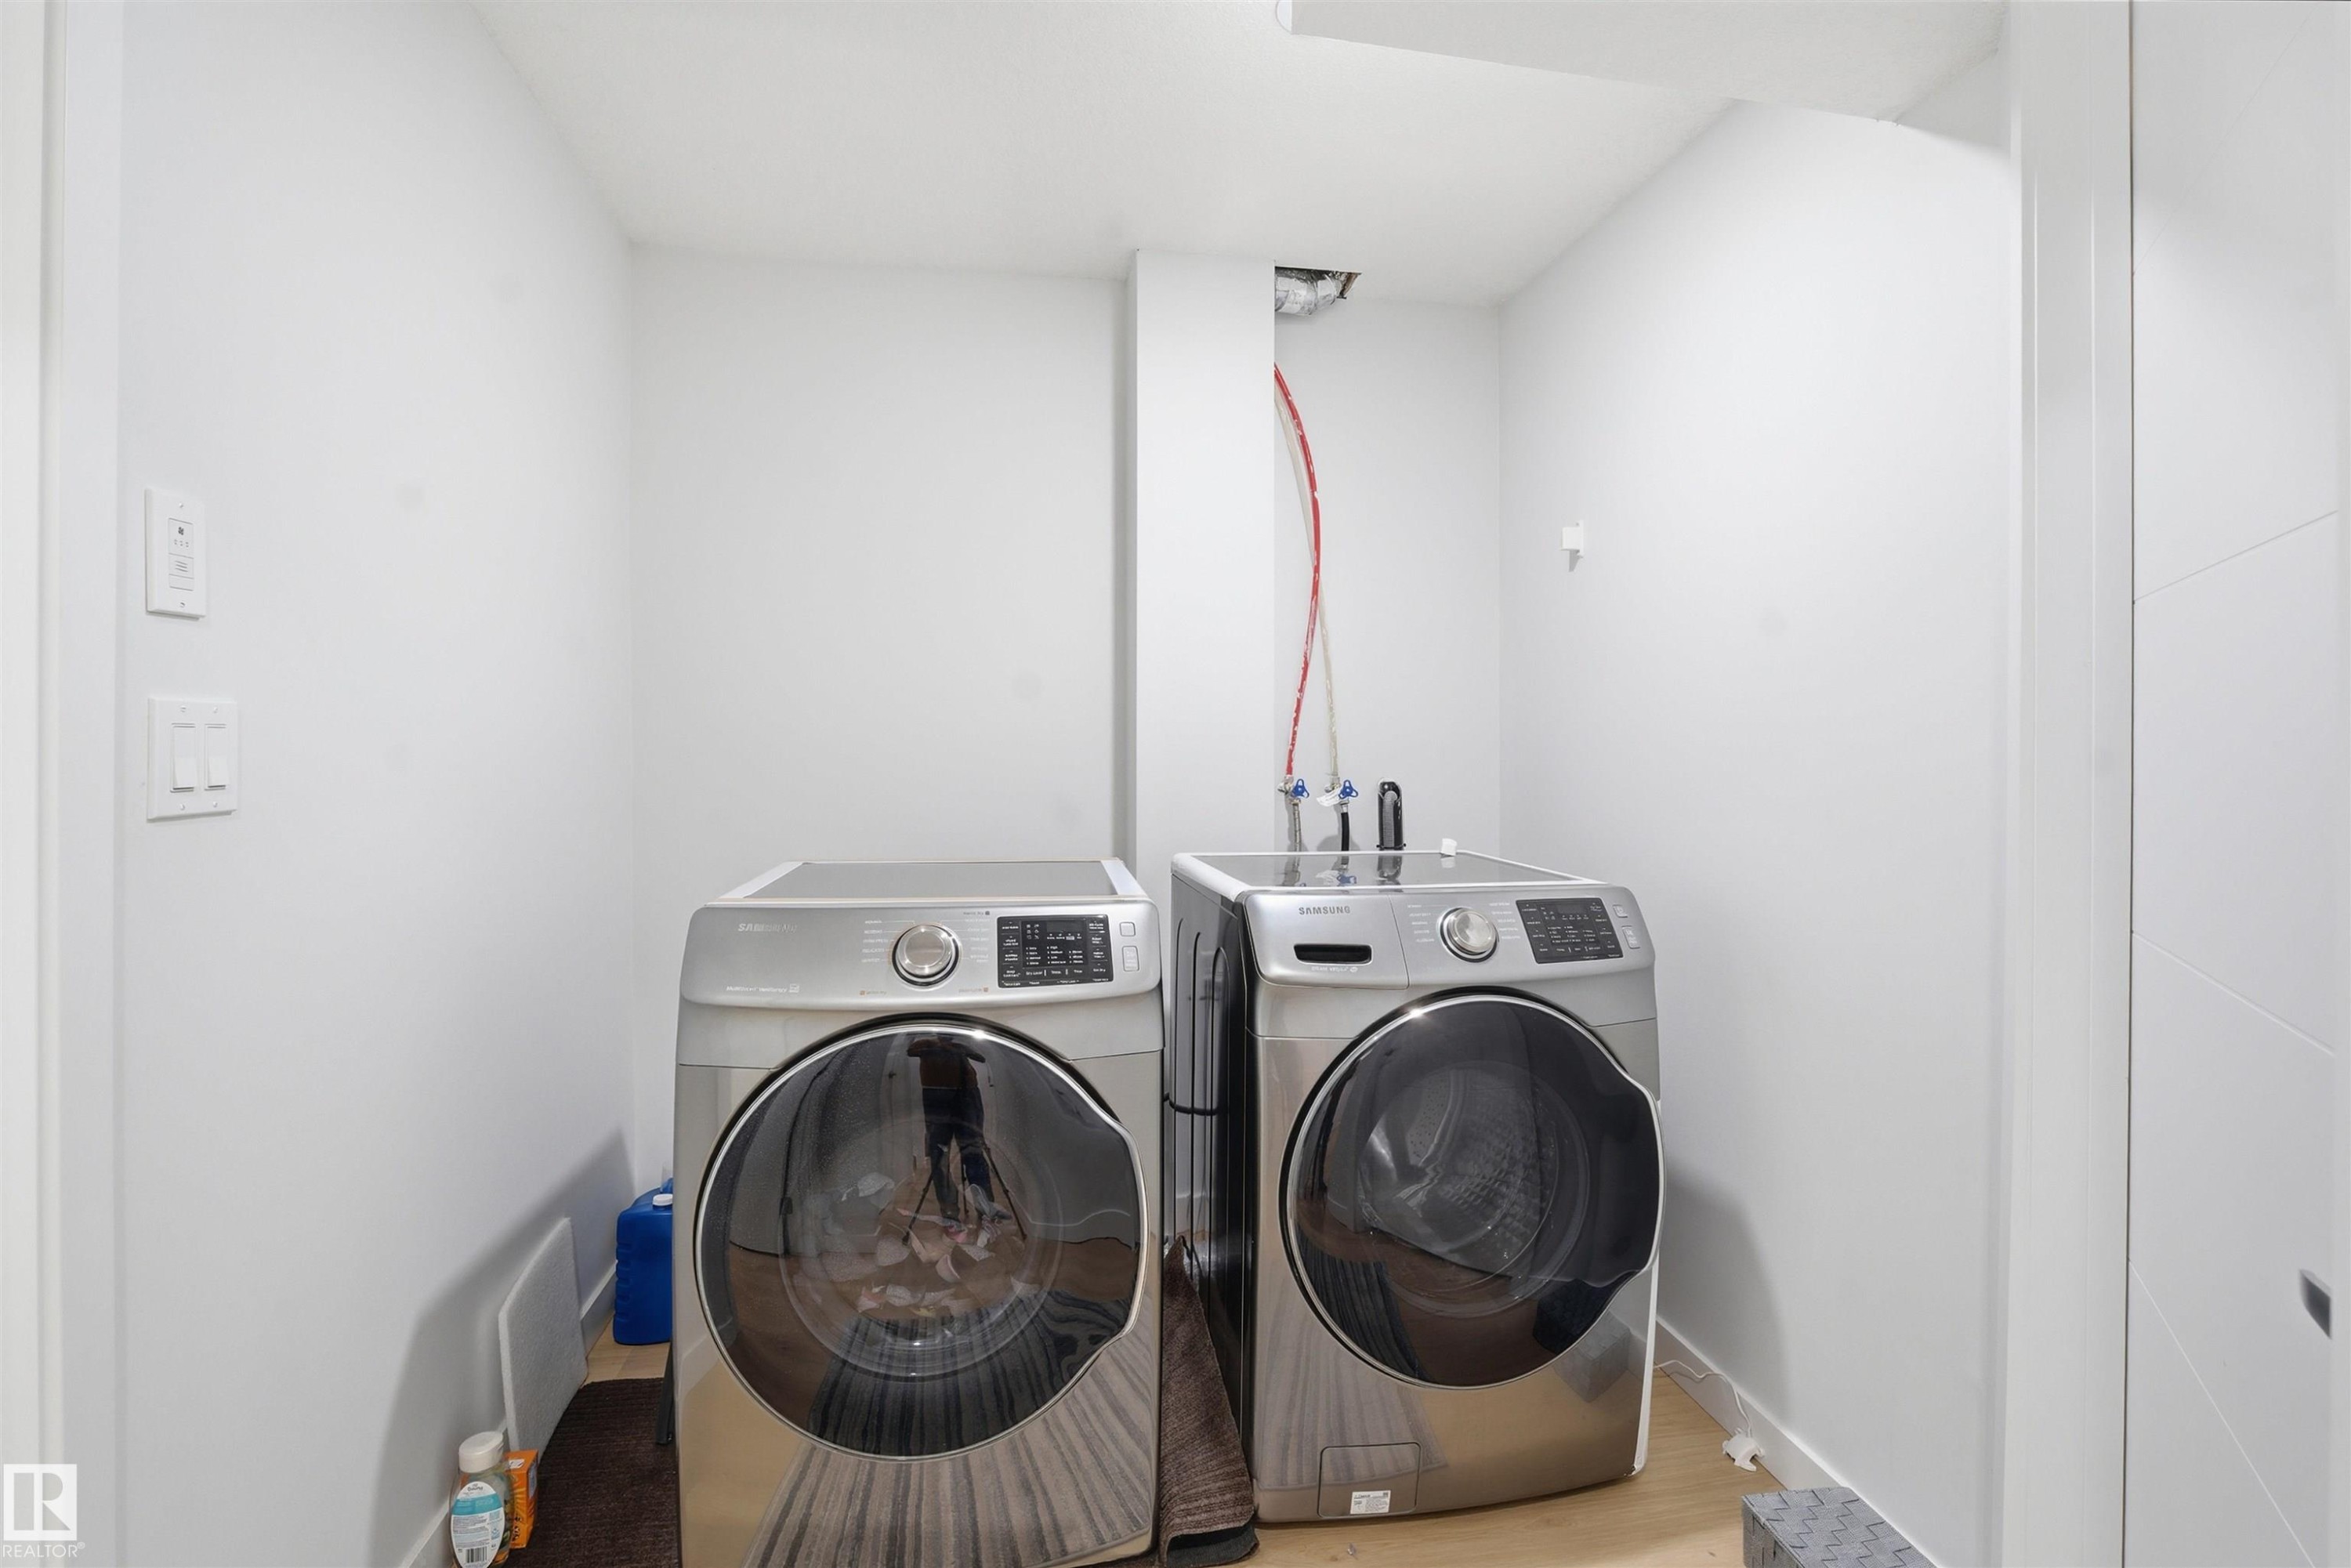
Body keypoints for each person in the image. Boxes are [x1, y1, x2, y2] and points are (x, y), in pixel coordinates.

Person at [905, 1034, 1001, 1222]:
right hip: (941, 1096)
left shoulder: (956, 1044)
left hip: (962, 1094)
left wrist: (956, 1048)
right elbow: (911, 1051)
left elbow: (980, 1056)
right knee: (941, 1157)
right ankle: (951, 1212)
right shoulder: (926, 1044)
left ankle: (985, 1211)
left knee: (972, 1153)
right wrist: (949, 1048)